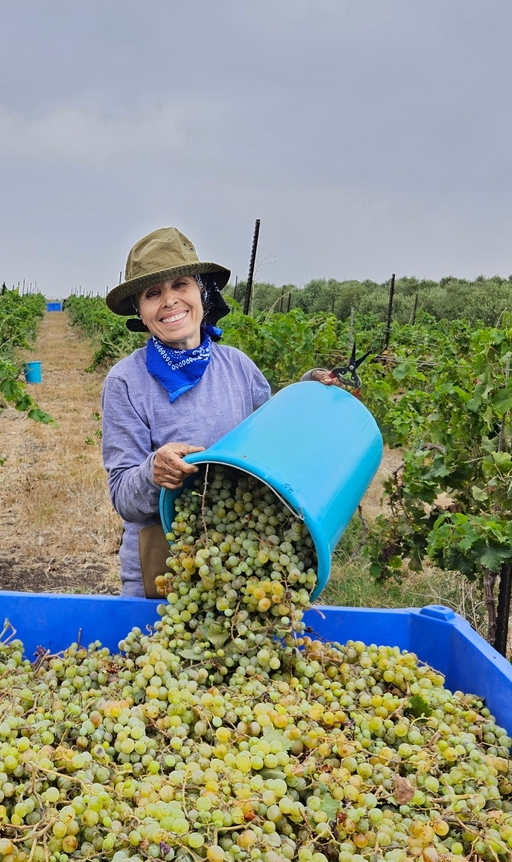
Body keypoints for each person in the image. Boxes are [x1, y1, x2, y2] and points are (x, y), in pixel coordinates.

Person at [100, 227, 338, 598]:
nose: (169, 301)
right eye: (152, 293)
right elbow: (124, 498)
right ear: (140, 312)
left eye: (180, 285)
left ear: (202, 292)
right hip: (169, 567)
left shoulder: (238, 367)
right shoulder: (126, 382)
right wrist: (153, 471)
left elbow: (277, 434)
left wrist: (309, 389)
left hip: (245, 561)